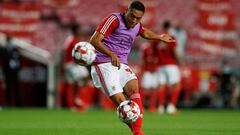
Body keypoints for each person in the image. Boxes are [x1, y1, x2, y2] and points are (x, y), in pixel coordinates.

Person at [89, 1, 175, 135]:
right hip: (103, 63)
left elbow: (144, 32)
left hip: (121, 64)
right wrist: (111, 54)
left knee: (134, 88)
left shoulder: (136, 25)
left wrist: (159, 37)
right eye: (132, 16)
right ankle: (138, 132)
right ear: (126, 11)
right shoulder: (114, 19)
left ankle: (137, 132)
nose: (134, 20)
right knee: (122, 103)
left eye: (138, 18)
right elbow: (94, 40)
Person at [155, 20, 184, 114]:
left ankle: (160, 107)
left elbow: (154, 52)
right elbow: (174, 51)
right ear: (169, 27)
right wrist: (181, 62)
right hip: (170, 64)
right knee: (176, 85)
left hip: (160, 65)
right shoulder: (171, 37)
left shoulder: (158, 38)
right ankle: (171, 107)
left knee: (161, 86)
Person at [58, 24, 90, 109]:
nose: (81, 31)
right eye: (79, 29)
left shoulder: (78, 40)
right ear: (75, 30)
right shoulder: (70, 39)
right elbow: (63, 52)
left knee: (84, 78)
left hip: (77, 64)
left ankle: (76, 98)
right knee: (76, 81)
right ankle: (74, 100)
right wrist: (62, 64)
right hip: (70, 64)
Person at [2, 35, 21, 107]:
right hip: (7, 72)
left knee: (16, 88)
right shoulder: (4, 49)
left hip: (14, 72)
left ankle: (18, 103)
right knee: (8, 88)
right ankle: (8, 103)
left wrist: (16, 65)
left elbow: (18, 59)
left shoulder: (15, 49)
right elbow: (4, 61)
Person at [140, 43, 159, 112]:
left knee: (154, 90)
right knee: (144, 89)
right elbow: (143, 60)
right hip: (147, 71)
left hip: (155, 72)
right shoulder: (146, 49)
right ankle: (141, 106)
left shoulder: (158, 48)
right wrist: (142, 70)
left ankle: (152, 106)